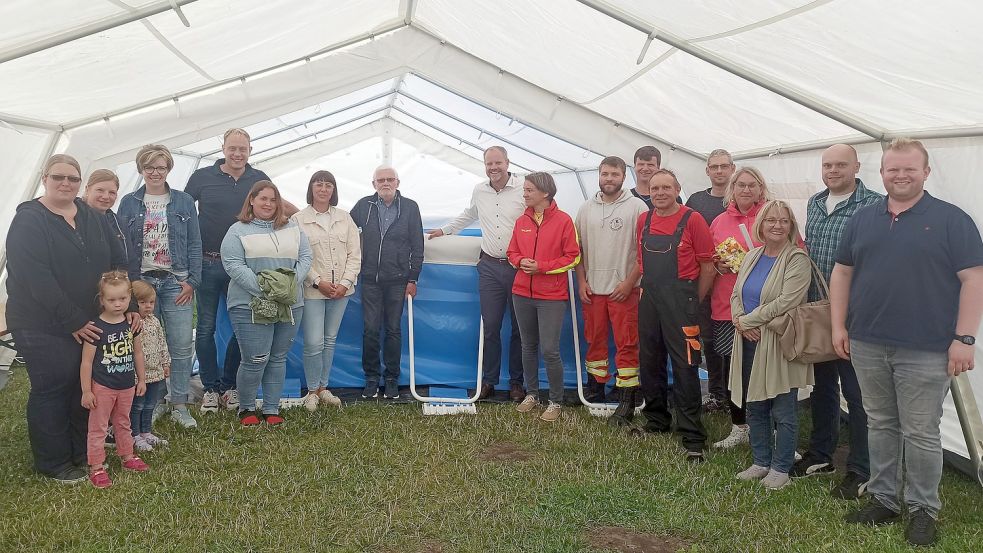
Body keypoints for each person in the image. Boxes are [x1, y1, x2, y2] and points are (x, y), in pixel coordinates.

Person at [833, 138, 983, 546]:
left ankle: (922, 508)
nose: (900, 175)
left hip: (927, 347)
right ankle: (885, 498)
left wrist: (965, 338)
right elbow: (842, 272)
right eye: (892, 169)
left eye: (909, 169)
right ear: (881, 173)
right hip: (867, 341)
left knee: (920, 431)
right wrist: (838, 326)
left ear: (926, 172)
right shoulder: (862, 218)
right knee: (880, 423)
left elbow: (974, 279)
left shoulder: (953, 220)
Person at [5, 154, 128, 484]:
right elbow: (35, 277)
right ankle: (53, 462)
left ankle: (79, 451)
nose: (66, 183)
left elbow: (115, 260)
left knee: (81, 384)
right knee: (53, 385)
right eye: (58, 177)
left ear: (79, 183)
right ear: (45, 178)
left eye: (72, 179)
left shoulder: (90, 214)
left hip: (85, 320)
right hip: (40, 321)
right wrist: (73, 319)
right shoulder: (30, 220)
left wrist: (122, 300)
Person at [791, 144, 880, 498]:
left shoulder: (874, 204)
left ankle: (862, 468)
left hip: (855, 314)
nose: (833, 170)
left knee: (858, 394)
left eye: (841, 165)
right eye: (827, 165)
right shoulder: (814, 202)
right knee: (823, 386)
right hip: (819, 311)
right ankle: (821, 454)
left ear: (857, 166)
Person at [186, 128, 296, 413]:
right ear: (222, 148)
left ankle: (230, 386)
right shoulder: (201, 178)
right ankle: (210, 388)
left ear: (250, 150)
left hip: (246, 269)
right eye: (232, 148)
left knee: (245, 328)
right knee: (206, 327)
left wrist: (316, 215)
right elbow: (182, 214)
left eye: (242, 149)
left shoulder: (258, 179)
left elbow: (279, 205)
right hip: (208, 264)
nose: (237, 154)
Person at [427, 146, 527, 402]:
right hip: (490, 267)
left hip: (519, 268)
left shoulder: (524, 188)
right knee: (491, 327)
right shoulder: (479, 190)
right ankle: (489, 381)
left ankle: (517, 383)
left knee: (520, 329)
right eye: (489, 164)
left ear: (507, 163)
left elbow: (541, 215)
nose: (494, 168)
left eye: (498, 163)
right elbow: (469, 214)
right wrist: (445, 230)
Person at [729, 201, 813, 490]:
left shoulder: (797, 259)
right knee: (755, 406)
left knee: (783, 408)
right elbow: (736, 294)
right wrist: (740, 320)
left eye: (784, 220)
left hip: (778, 343)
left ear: (791, 226)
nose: (777, 225)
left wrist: (749, 321)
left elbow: (786, 301)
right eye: (771, 220)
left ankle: (782, 467)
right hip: (749, 341)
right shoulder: (752, 255)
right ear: (760, 225)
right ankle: (761, 461)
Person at [118, 144, 201, 429]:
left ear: (168, 170)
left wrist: (191, 281)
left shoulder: (183, 201)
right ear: (141, 170)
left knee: (179, 345)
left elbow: (194, 242)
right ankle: (153, 402)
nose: (155, 172)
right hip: (143, 282)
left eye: (161, 167)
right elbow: (124, 245)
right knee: (147, 345)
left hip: (176, 282)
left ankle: (179, 403)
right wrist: (131, 283)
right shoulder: (129, 202)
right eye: (149, 167)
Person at [635, 169, 715, 462]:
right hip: (650, 299)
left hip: (682, 301)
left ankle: (692, 433)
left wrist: (694, 299)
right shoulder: (643, 220)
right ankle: (656, 420)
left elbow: (707, 265)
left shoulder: (692, 220)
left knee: (686, 365)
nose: (660, 193)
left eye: (666, 187)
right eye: (655, 188)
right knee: (650, 359)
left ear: (677, 188)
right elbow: (641, 261)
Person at [222, 181, 312, 426]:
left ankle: (271, 408)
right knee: (255, 358)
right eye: (263, 199)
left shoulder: (293, 228)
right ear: (251, 200)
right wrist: (267, 289)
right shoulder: (237, 230)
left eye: (273, 200)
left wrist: (289, 286)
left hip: (290, 304)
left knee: (278, 357)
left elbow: (305, 257)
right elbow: (232, 264)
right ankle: (247, 408)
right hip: (248, 303)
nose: (268, 204)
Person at [574, 156, 647, 425]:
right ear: (598, 175)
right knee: (594, 339)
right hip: (592, 290)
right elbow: (577, 252)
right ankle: (596, 387)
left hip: (623, 290)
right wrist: (581, 281)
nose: (609, 179)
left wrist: (629, 283)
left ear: (623, 177)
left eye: (614, 174)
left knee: (627, 342)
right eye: (604, 174)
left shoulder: (637, 207)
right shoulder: (585, 209)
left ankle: (627, 393)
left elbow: (644, 252)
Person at [508, 172, 581, 422]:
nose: (524, 194)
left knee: (549, 349)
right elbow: (511, 252)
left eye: (529, 190)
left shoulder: (564, 221)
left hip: (551, 295)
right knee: (528, 346)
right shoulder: (521, 221)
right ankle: (532, 394)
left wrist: (542, 266)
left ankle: (556, 400)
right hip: (521, 293)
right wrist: (520, 261)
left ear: (545, 193)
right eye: (525, 190)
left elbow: (573, 257)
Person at [707, 167, 771, 449]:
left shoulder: (771, 217)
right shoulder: (720, 221)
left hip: (764, 307)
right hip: (727, 307)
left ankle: (771, 429)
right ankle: (739, 426)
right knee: (734, 369)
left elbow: (792, 253)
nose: (746, 190)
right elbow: (712, 258)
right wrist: (718, 265)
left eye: (751, 185)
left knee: (765, 369)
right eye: (740, 185)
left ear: (761, 189)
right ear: (732, 189)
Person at [350, 166, 424, 400]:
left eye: (389, 179)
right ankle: (371, 378)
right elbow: (346, 231)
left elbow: (418, 246)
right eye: (380, 180)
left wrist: (413, 278)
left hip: (398, 281)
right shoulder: (364, 205)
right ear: (373, 184)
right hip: (370, 279)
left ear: (398, 182)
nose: (385, 183)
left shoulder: (410, 207)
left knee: (393, 330)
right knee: (371, 330)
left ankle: (392, 378)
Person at [291, 170, 361, 411]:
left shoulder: (345, 218)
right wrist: (317, 281)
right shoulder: (298, 220)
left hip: (341, 291)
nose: (323, 189)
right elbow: (298, 256)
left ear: (334, 190)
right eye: (318, 184)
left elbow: (355, 254)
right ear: (311, 188)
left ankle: (323, 387)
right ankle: (311, 390)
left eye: (328, 185)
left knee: (329, 340)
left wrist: (345, 283)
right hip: (313, 291)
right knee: (313, 342)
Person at [81, 271, 150, 488]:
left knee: (123, 422)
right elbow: (86, 362)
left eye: (122, 299)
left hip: (127, 385)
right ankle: (96, 466)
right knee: (98, 427)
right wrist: (86, 391)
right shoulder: (96, 327)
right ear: (101, 299)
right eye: (111, 300)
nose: (118, 304)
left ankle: (127, 456)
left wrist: (142, 379)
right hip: (102, 387)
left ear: (129, 297)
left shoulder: (132, 324)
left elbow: (138, 353)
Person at [685, 149, 733, 413]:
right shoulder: (696, 201)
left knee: (734, 339)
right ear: (707, 170)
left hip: (732, 284)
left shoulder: (740, 200)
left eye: (724, 167)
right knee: (710, 338)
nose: (719, 171)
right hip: (704, 279)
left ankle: (734, 393)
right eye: (714, 167)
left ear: (732, 168)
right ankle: (716, 393)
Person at [129, 280, 171, 452]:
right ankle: (134, 434)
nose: (148, 307)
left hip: (155, 371)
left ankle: (146, 431)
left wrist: (165, 362)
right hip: (138, 374)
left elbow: (162, 343)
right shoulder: (132, 324)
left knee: (150, 404)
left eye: (151, 302)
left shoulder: (154, 322)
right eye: (143, 302)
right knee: (137, 405)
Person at [83, 169, 128, 259]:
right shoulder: (73, 217)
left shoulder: (119, 224)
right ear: (87, 190)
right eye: (100, 190)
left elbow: (130, 259)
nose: (106, 196)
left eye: (112, 192)